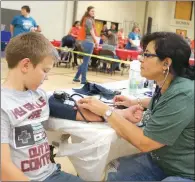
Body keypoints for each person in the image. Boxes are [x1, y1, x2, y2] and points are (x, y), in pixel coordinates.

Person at [77, 32, 194, 181]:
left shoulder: (183, 94)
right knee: (116, 170)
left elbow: (144, 143)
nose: (140, 59)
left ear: (166, 63)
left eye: (147, 55)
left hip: (185, 173)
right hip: (162, 162)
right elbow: (161, 101)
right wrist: (134, 102)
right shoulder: (167, 83)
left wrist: (106, 111)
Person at [1, 32, 103, 182]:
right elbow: (4, 168)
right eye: (45, 70)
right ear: (26, 65)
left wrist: (107, 114)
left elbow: (61, 108)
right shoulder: (3, 105)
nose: (47, 77)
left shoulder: (39, 95)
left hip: (51, 173)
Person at [73, 6, 98, 84]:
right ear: (88, 12)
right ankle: (83, 80)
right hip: (88, 42)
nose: (93, 13)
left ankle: (76, 77)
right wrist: (96, 41)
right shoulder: (88, 20)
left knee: (85, 62)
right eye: (92, 11)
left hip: (86, 42)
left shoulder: (87, 19)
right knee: (86, 62)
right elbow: (91, 31)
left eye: (94, 11)